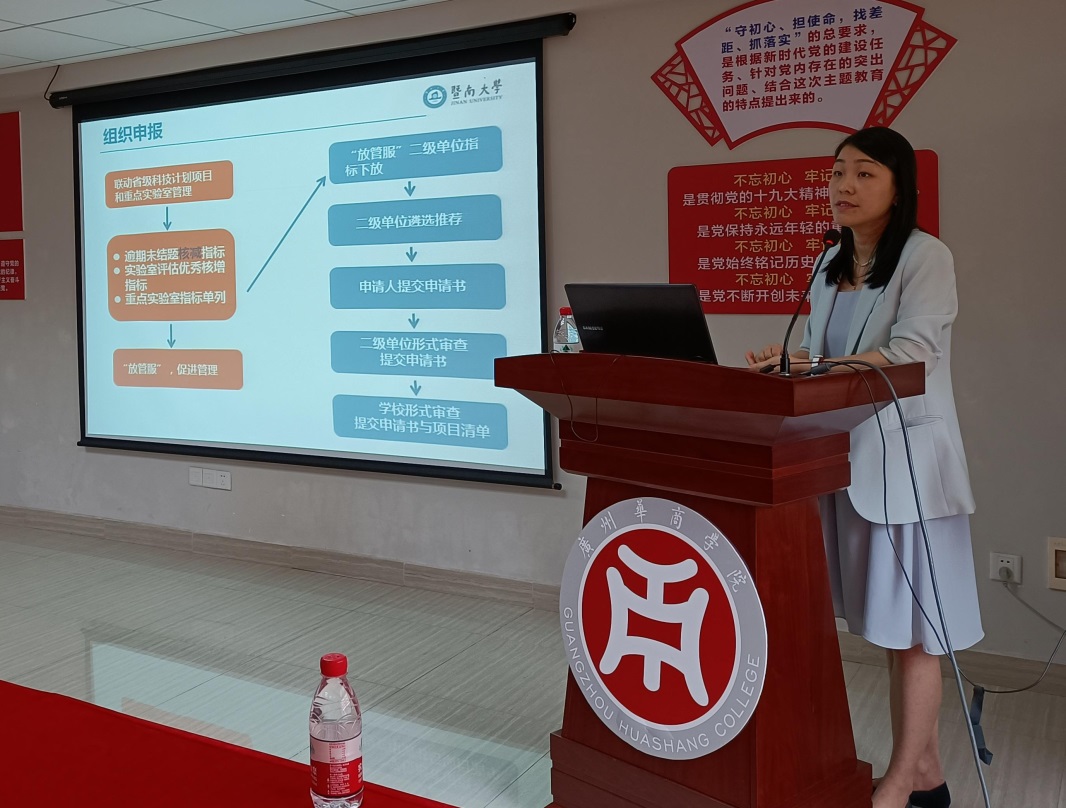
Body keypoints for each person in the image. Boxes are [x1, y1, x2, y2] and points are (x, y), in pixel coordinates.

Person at [745, 127, 982, 808]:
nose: (844, 186)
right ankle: (927, 775)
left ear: (899, 188)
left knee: (916, 635)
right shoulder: (831, 262)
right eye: (837, 172)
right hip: (844, 461)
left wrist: (817, 364)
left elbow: (910, 353)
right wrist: (789, 364)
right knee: (888, 625)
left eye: (865, 173)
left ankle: (902, 783)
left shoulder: (926, 256)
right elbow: (825, 353)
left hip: (907, 467)